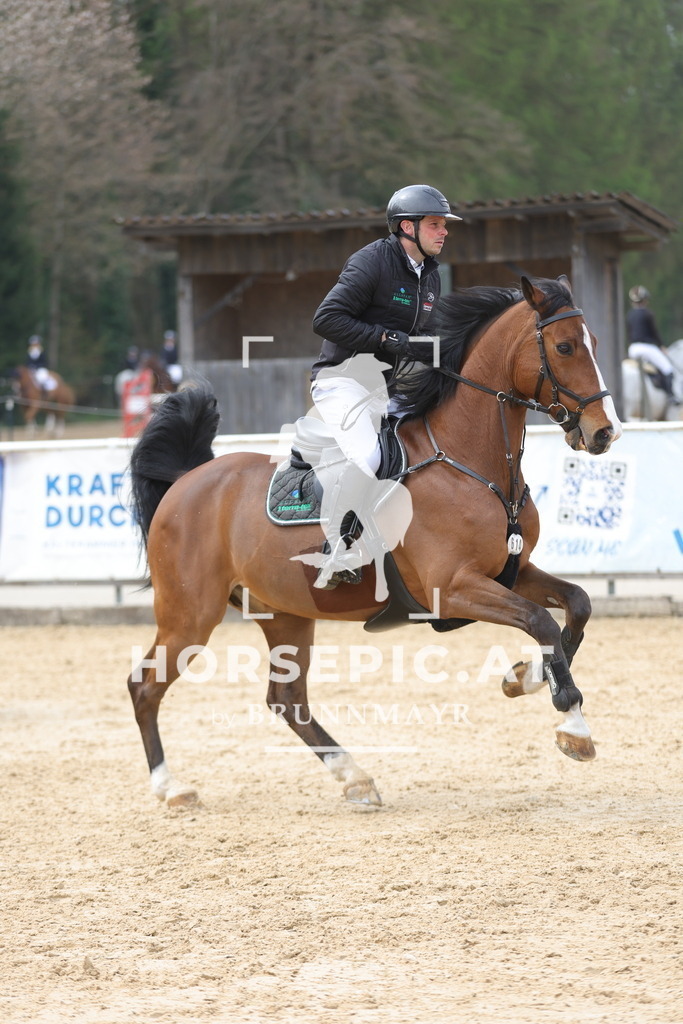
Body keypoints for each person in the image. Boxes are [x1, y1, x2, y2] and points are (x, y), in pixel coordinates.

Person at [308, 183, 461, 585]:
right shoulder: (372, 262)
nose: (443, 232)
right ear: (406, 227)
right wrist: (386, 339)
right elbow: (325, 319)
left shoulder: (429, 275)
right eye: (434, 225)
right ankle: (337, 549)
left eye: (444, 225)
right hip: (341, 382)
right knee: (372, 458)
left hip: (385, 389)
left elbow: (421, 339)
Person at [626, 285, 679, 403]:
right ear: (645, 300)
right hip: (647, 348)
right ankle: (671, 396)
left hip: (633, 349)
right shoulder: (648, 313)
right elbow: (654, 333)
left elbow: (629, 333)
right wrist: (661, 346)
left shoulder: (630, 315)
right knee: (668, 368)